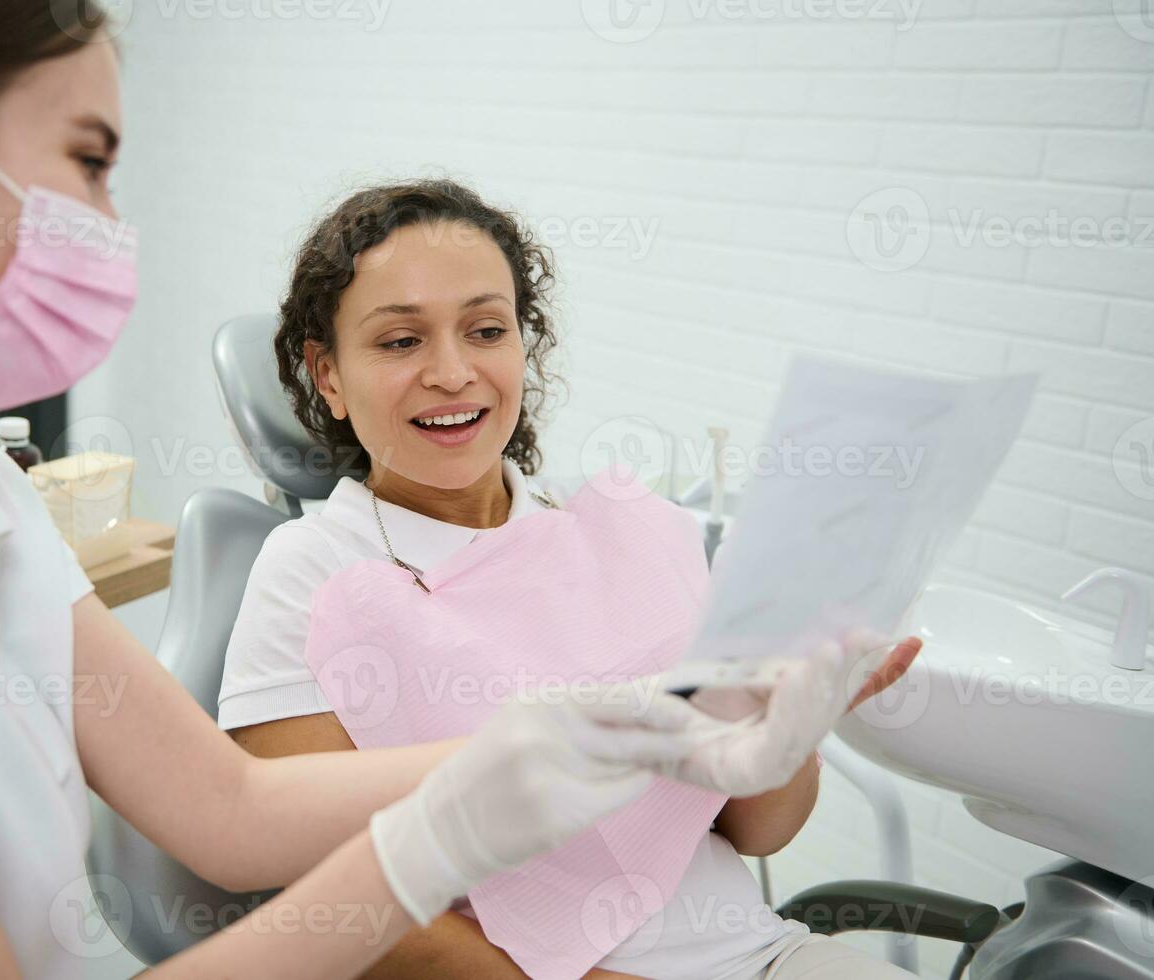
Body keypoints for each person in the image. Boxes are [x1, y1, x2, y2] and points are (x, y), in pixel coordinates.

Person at [0, 5, 867, 978]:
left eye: (488, 329)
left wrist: (602, 736)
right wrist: (433, 837)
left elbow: (232, 804)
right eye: (90, 160)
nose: (108, 223)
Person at [218, 179, 924, 979]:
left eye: (485, 329)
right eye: (399, 341)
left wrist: (793, 732)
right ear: (329, 376)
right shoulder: (310, 572)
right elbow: (326, 900)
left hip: (762, 954)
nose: (452, 373)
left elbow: (758, 833)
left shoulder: (628, 534)